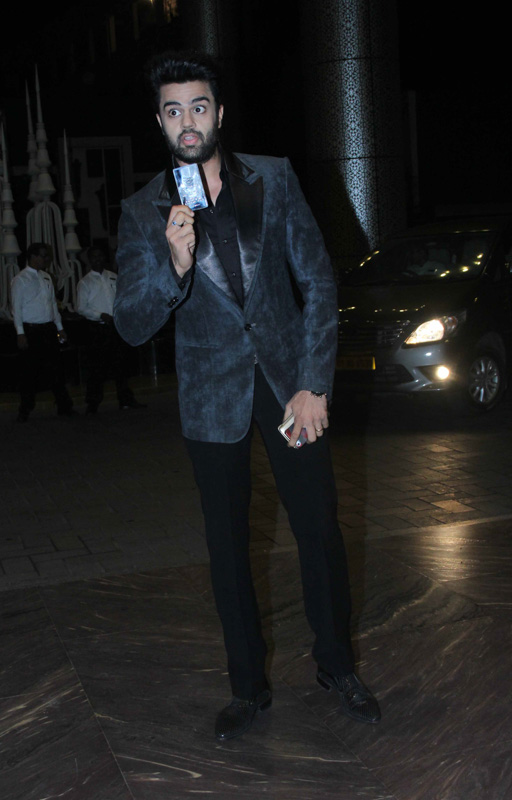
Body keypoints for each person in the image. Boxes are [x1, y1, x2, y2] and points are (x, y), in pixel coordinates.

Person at [114, 50, 381, 741]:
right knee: (228, 548)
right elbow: (131, 322)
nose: (188, 121)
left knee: (318, 527)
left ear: (219, 113)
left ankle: (337, 667)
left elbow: (317, 281)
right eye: (173, 110)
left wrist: (313, 383)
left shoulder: (273, 177)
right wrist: (174, 267)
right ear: (159, 122)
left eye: (198, 106)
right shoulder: (143, 212)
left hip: (290, 390)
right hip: (212, 400)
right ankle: (247, 688)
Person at [76, 246, 145, 413]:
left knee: (120, 364)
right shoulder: (85, 282)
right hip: (97, 329)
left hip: (116, 327)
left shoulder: (113, 276)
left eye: (100, 256)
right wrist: (100, 315)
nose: (98, 259)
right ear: (89, 260)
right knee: (97, 367)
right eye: (94, 257)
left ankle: (125, 400)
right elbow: (80, 307)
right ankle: (93, 403)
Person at [11, 242, 73, 422]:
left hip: (48, 328)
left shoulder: (47, 277)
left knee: (56, 369)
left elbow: (52, 304)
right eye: (43, 256)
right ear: (32, 257)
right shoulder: (20, 279)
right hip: (31, 330)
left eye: (46, 256)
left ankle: (64, 406)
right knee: (29, 372)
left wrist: (60, 328)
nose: (46, 259)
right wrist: (20, 333)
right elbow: (16, 308)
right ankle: (25, 410)